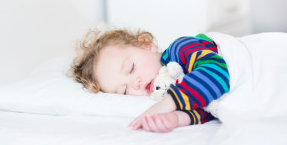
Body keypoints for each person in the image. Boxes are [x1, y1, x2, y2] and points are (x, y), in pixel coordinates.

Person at [71, 29, 230, 133]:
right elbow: (211, 104)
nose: (135, 83)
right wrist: (178, 118)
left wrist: (169, 103)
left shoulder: (180, 49)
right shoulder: (166, 88)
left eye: (131, 68)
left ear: (147, 46)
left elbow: (217, 74)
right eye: (124, 91)